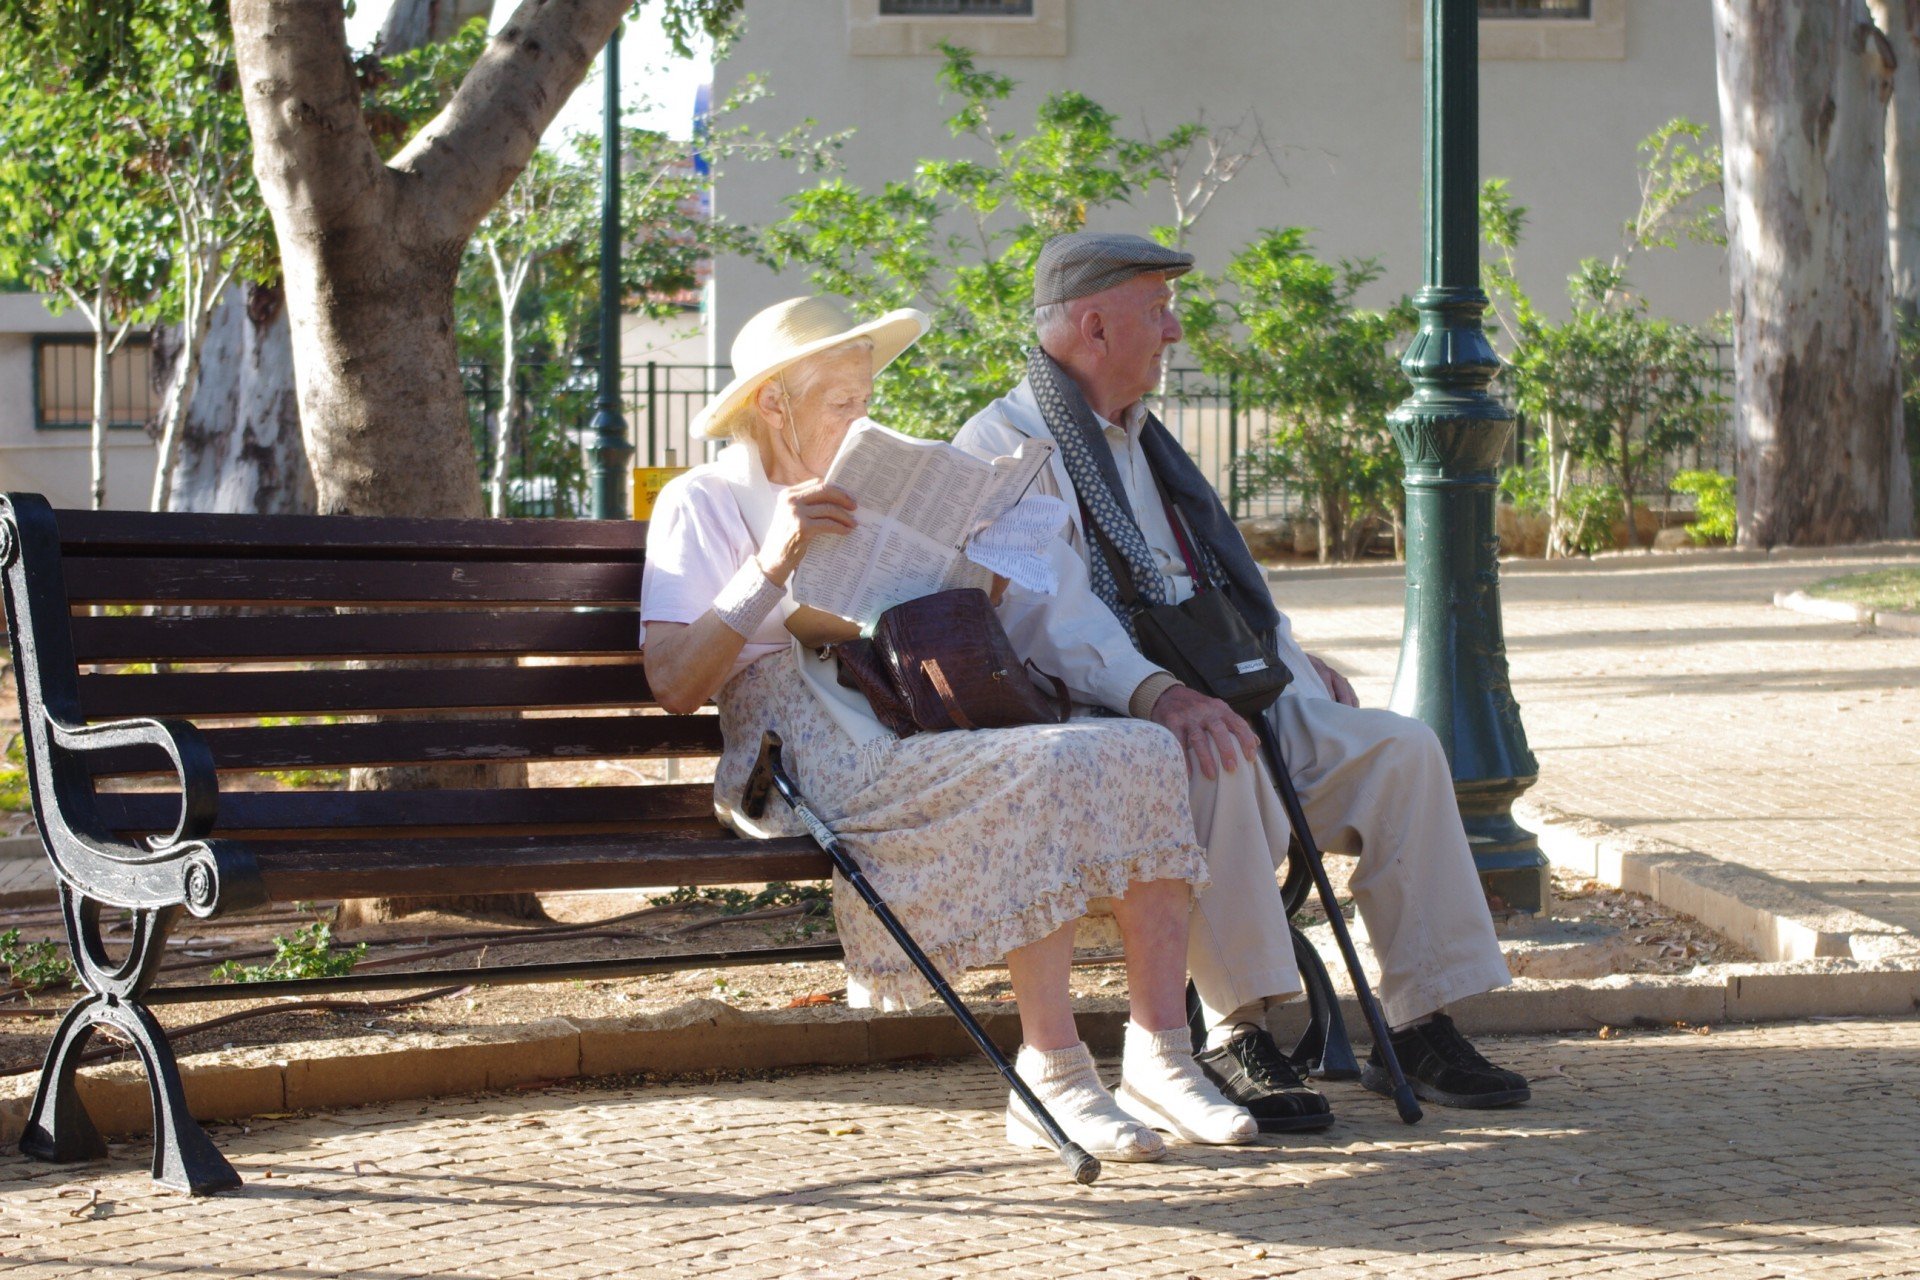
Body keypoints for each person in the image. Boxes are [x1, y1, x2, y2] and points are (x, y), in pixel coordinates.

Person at [640, 294, 1261, 1162]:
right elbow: (674, 682)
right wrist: (772, 562)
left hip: (905, 710)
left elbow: (920, 612)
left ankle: (1161, 1055)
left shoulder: (863, 485)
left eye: (866, 398)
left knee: (1140, 746)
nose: (863, 417)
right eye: (841, 402)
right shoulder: (702, 499)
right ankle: (1053, 1071)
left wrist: (978, 567)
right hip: (797, 748)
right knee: (1036, 770)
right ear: (773, 403)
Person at [952, 232, 1530, 1128]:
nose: (1176, 332)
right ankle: (1238, 1029)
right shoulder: (1005, 443)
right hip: (1117, 715)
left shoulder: (1145, 441)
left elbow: (1214, 584)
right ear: (1094, 326)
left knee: (1400, 749)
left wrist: (1293, 664)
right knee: (1216, 758)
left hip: (1220, 689)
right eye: (1159, 311)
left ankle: (1419, 1020)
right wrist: (1160, 695)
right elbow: (1046, 617)